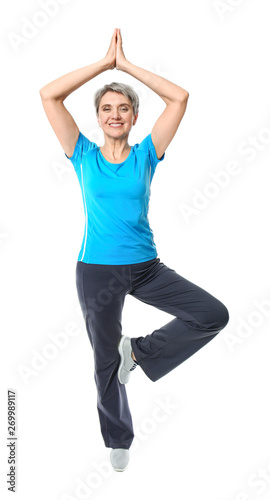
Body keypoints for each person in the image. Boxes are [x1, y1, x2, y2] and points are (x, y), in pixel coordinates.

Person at [39, 28, 229, 472]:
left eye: (123, 108)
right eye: (106, 108)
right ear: (98, 117)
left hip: (146, 268)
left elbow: (179, 98)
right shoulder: (81, 153)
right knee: (104, 361)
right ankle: (118, 437)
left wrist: (127, 68)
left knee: (212, 315)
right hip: (96, 272)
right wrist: (103, 65)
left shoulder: (147, 154)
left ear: (135, 115)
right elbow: (49, 96)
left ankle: (140, 352)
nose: (114, 114)